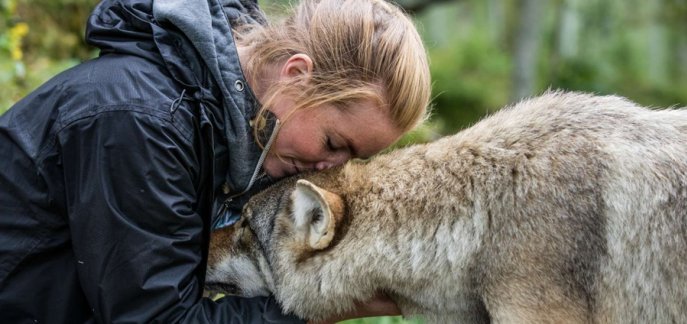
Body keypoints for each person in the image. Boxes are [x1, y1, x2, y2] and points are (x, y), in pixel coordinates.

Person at [0, 0, 430, 322]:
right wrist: (325, 302)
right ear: (296, 76)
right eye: (335, 142)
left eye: (355, 159)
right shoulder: (143, 124)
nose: (332, 170)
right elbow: (158, 318)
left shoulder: (232, 135)